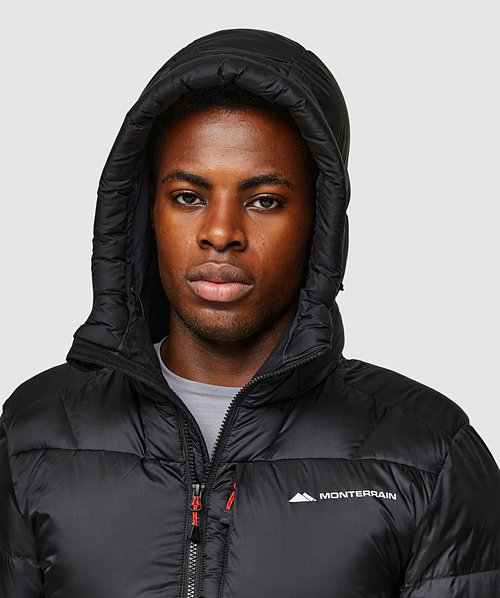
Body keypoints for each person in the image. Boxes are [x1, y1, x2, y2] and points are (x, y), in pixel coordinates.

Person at [0, 28, 498, 598]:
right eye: (188, 197)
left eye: (264, 201)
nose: (220, 233)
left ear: (321, 222)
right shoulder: (33, 436)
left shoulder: (429, 455)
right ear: (147, 212)